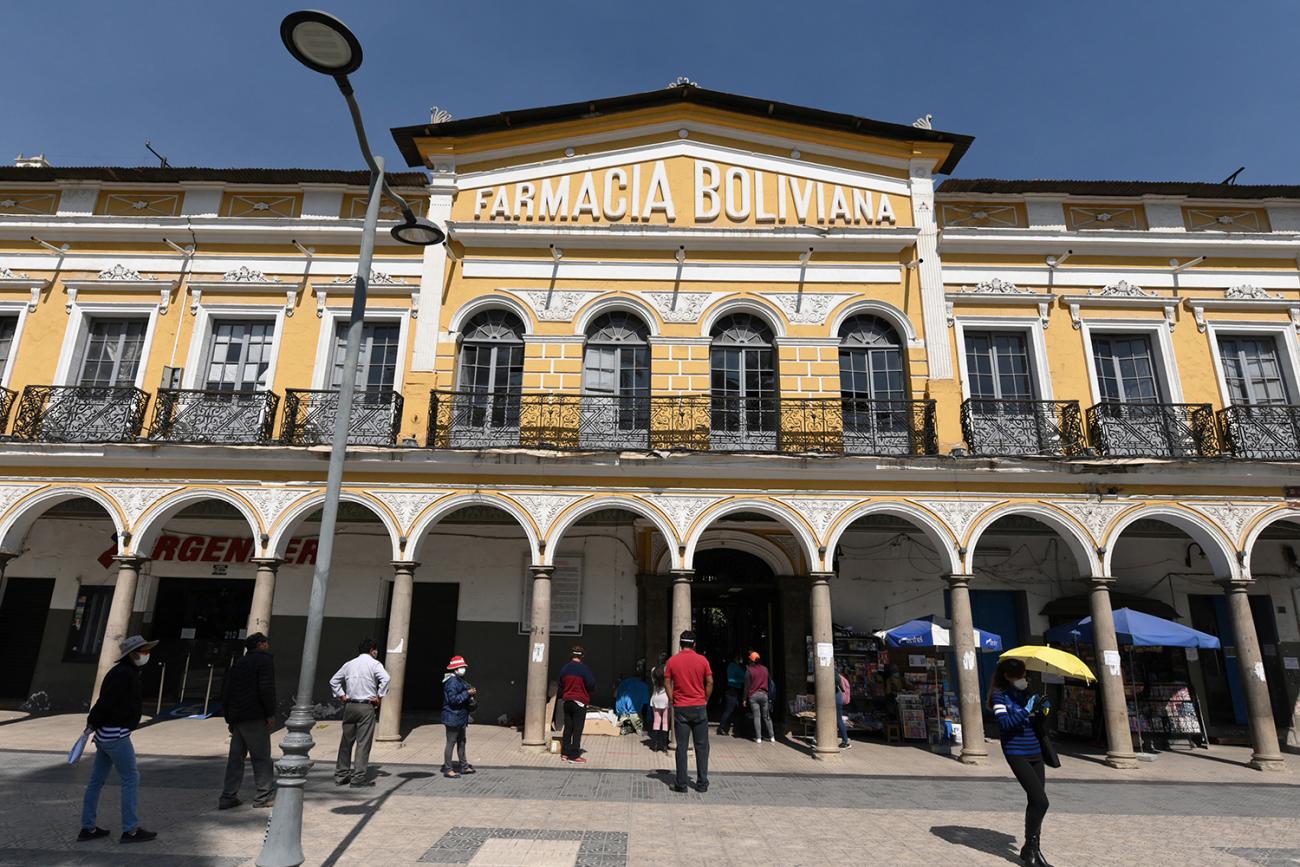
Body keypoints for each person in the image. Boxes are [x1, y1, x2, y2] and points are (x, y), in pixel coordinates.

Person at [79, 635, 158, 844]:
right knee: (131, 779)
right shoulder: (124, 674)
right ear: (133, 654)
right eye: (143, 651)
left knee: (96, 782)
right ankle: (130, 829)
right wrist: (92, 721)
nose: (146, 655)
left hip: (105, 735)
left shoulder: (121, 672)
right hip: (116, 735)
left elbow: (105, 702)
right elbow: (107, 701)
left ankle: (88, 827)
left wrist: (93, 725)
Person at [989, 658, 1053, 867]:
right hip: (1016, 751)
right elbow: (1006, 724)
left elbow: (1033, 722)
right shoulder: (999, 696)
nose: (1022, 680)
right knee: (1041, 801)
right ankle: (1030, 849)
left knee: (1035, 801)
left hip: (1034, 749)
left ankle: (1032, 850)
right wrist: (1027, 709)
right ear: (1007, 677)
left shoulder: (1027, 693)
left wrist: (1042, 710)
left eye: (1024, 676)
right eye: (1018, 677)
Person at [218, 632, 276, 809]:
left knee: (236, 758)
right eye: (265, 642)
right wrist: (270, 713)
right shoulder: (264, 661)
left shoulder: (239, 662)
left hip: (238, 716)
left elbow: (227, 690)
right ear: (261, 644)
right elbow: (266, 688)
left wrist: (229, 715)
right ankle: (263, 795)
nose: (267, 645)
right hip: (254, 715)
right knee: (261, 757)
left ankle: (228, 795)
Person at [329, 637, 389, 788]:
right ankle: (358, 778)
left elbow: (334, 681)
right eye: (375, 650)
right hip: (366, 707)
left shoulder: (349, 664)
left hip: (350, 705)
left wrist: (342, 695)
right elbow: (386, 678)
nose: (376, 653)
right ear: (372, 650)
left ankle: (341, 774)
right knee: (363, 743)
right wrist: (379, 696)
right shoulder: (374, 664)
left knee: (346, 741)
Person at [664, 630, 713, 793]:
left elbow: (667, 683)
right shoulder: (703, 660)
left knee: (682, 747)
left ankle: (681, 784)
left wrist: (672, 700)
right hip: (699, 707)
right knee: (702, 747)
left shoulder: (672, 661)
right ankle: (702, 783)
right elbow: (710, 682)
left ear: (680, 644)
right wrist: (704, 699)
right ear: (694, 644)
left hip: (681, 708)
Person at [557, 645, 596, 764]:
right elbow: (591, 684)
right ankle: (574, 755)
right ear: (582, 656)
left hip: (567, 701)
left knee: (568, 728)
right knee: (577, 729)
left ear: (571, 655)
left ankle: (565, 753)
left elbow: (560, 683)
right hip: (579, 702)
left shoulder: (565, 668)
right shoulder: (584, 669)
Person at [441, 655, 476, 778]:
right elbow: (453, 700)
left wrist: (469, 692)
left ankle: (464, 766)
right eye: (461, 667)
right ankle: (448, 768)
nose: (463, 669)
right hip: (452, 716)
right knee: (451, 742)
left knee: (462, 742)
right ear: (455, 669)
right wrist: (467, 693)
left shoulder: (460, 680)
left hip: (460, 717)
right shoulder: (451, 682)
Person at [743, 651, 774, 744]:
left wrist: (744, 699)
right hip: (764, 695)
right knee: (767, 716)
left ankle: (758, 738)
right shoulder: (765, 669)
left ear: (751, 660)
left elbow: (746, 686)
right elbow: (770, 681)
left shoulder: (749, 670)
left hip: (753, 696)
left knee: (757, 716)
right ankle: (772, 736)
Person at [717, 652, 745, 736]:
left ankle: (735, 728)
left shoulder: (734, 666)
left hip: (735, 690)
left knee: (735, 710)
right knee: (729, 710)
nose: (741, 660)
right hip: (732, 690)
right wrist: (742, 681)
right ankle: (721, 728)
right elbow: (731, 679)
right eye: (739, 658)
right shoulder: (733, 666)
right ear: (736, 658)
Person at [648, 652, 670, 752]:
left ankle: (655, 745)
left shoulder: (653, 670)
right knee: (665, 722)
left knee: (656, 721)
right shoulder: (667, 670)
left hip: (655, 697)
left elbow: (653, 683)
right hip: (665, 697)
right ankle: (664, 745)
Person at [835, 666, 852, 749]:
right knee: (838, 720)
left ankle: (845, 741)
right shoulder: (840, 677)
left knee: (839, 720)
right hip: (839, 699)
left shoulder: (835, 677)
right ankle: (845, 741)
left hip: (837, 699)